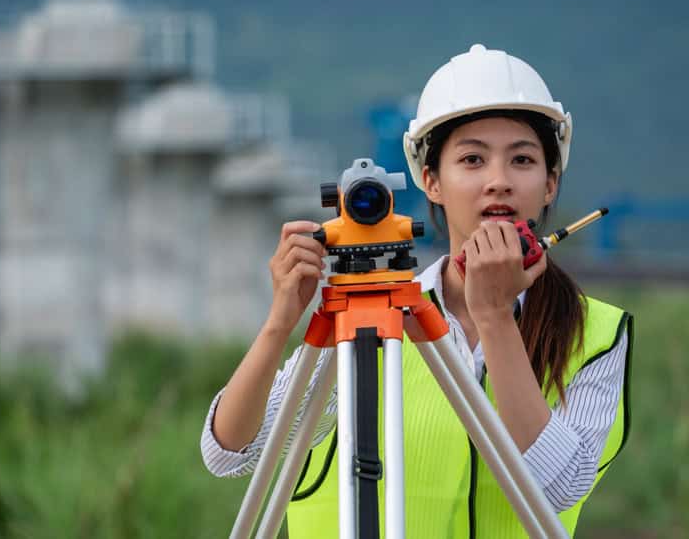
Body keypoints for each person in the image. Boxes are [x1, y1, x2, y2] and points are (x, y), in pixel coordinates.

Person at [201, 45, 633, 537]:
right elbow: (230, 452)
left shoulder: (596, 333)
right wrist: (280, 322)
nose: (498, 181)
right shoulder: (374, 311)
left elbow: (557, 490)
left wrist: (493, 318)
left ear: (550, 182)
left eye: (522, 160)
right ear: (431, 181)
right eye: (472, 159)